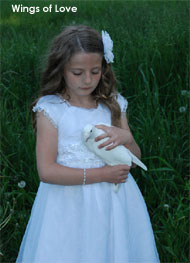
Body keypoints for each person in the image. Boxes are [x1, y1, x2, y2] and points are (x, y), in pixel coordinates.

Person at [17, 25, 159, 263]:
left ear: (104, 68)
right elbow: (47, 171)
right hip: (67, 205)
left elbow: (134, 159)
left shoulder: (113, 105)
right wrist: (103, 174)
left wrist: (127, 138)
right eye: (77, 72)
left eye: (95, 71)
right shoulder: (51, 110)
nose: (87, 80)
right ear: (61, 69)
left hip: (114, 202)